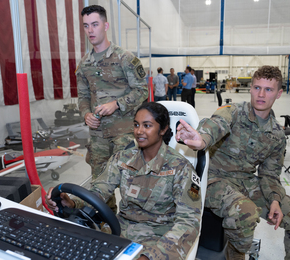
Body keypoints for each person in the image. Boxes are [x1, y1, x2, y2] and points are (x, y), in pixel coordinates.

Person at [176, 65, 290, 260]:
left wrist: (274, 199)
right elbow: (216, 124)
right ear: (250, 89)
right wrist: (202, 139)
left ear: (279, 93)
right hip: (215, 180)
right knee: (245, 213)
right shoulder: (233, 112)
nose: (261, 94)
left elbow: (269, 175)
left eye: (268, 89)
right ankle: (235, 255)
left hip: (246, 182)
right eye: (257, 87)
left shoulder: (277, 134)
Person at [46, 102, 202, 260]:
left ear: (162, 129)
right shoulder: (122, 159)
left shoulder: (181, 167)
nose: (139, 131)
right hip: (118, 231)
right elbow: (98, 191)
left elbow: (189, 222)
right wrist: (72, 203)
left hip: (159, 239)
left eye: (147, 125)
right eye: (136, 125)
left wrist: (150, 257)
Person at [76, 5, 148, 211]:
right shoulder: (84, 65)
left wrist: (117, 104)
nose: (90, 30)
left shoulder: (125, 58)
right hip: (98, 135)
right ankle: (105, 224)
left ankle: (132, 224)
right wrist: (86, 114)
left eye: (95, 24)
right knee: (99, 184)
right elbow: (82, 96)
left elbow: (142, 90)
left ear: (105, 26)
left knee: (129, 181)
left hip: (124, 133)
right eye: (86, 26)